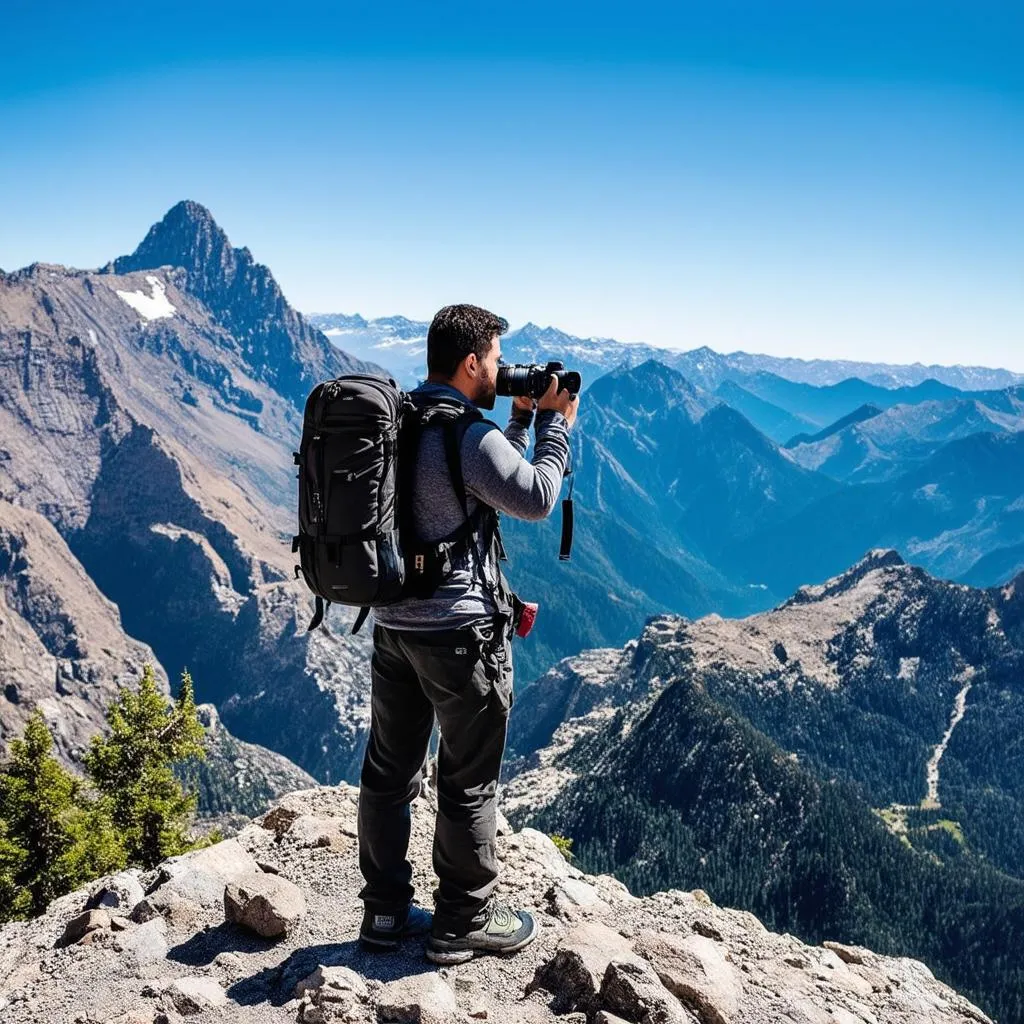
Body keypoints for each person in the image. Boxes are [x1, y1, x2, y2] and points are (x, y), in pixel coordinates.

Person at [356, 303, 578, 964]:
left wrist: (511, 421)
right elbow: (535, 497)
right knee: (467, 780)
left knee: (389, 772)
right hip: (458, 636)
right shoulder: (465, 435)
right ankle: (462, 920)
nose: (503, 371)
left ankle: (385, 916)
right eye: (497, 358)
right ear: (472, 360)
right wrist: (553, 427)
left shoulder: (399, 421)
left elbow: (468, 485)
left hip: (395, 626)